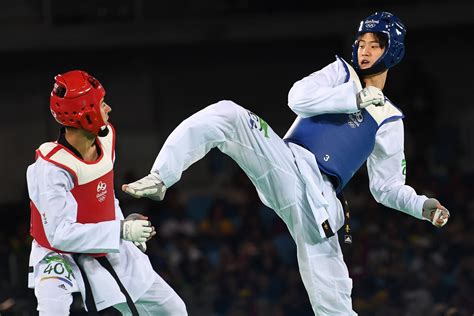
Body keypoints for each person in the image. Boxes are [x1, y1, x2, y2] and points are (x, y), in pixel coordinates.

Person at [122, 11, 450, 315]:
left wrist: (424, 205)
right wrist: (352, 99)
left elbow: (387, 188)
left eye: (375, 46)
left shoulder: (390, 119)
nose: (364, 51)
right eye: (361, 43)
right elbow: (297, 97)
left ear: (392, 51)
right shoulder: (341, 75)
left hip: (320, 201)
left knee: (334, 304)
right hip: (286, 162)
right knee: (227, 113)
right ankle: (161, 176)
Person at [27, 70, 188, 315]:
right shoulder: (51, 167)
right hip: (58, 254)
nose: (109, 109)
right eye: (102, 104)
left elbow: (103, 196)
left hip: (103, 242)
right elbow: (60, 234)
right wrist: (120, 231)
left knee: (172, 310)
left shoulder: (107, 138)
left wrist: (125, 226)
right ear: (86, 114)